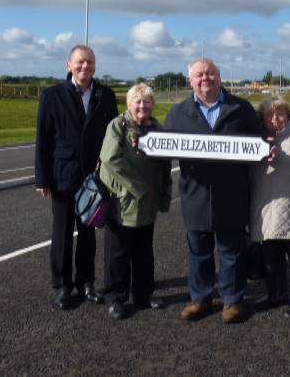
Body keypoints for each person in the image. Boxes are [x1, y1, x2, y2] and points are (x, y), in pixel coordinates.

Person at [164, 57, 263, 324]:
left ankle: (232, 300)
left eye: (210, 74)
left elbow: (258, 144)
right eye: (199, 75)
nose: (205, 78)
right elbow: (163, 147)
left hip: (232, 194)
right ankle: (201, 298)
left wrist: (266, 150)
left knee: (232, 251)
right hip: (195, 194)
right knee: (199, 250)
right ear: (191, 81)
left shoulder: (240, 108)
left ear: (219, 77)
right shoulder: (178, 112)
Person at [34, 44, 118, 309]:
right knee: (61, 234)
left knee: (88, 233)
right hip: (62, 176)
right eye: (80, 62)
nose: (86, 67)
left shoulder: (105, 95)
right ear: (69, 65)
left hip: (94, 177)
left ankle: (86, 282)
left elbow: (113, 136)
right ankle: (62, 286)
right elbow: (43, 140)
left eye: (90, 63)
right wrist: (42, 178)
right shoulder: (52, 95)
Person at [98, 83, 172, 320]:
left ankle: (143, 293)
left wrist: (163, 193)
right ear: (129, 104)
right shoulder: (118, 126)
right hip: (121, 201)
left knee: (144, 251)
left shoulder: (157, 128)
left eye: (147, 101)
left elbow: (164, 166)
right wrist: (138, 187)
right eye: (138, 101)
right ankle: (116, 298)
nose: (142, 106)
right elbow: (110, 159)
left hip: (147, 203)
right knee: (117, 253)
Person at [249, 96, 290, 319]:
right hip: (265, 208)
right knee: (271, 258)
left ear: (289, 115)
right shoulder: (252, 141)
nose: (275, 119)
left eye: (280, 113)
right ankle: (275, 294)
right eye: (269, 114)